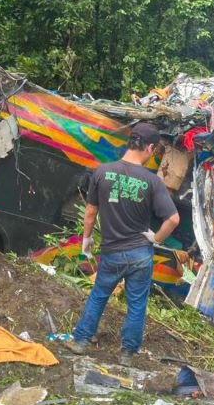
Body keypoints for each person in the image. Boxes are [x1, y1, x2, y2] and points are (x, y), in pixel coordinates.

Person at [65, 122, 180, 366]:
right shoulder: (153, 181)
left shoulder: (102, 172)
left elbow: (90, 212)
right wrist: (156, 238)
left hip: (112, 252)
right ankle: (127, 354)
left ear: (130, 142)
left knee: (98, 295)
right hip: (140, 254)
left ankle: (80, 342)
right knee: (137, 304)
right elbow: (173, 219)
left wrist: (86, 240)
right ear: (149, 148)